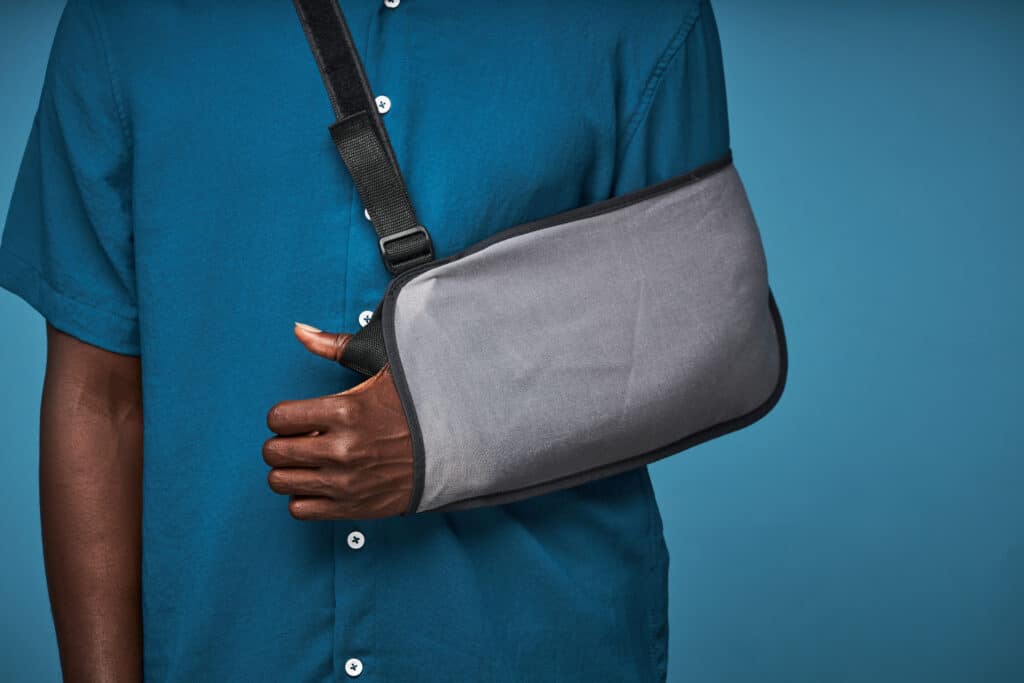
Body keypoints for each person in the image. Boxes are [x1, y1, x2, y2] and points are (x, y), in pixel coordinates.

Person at [0, 0, 731, 680]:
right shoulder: (126, 21)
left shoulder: (640, 16)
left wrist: (452, 431)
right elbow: (97, 402)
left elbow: (707, 336)